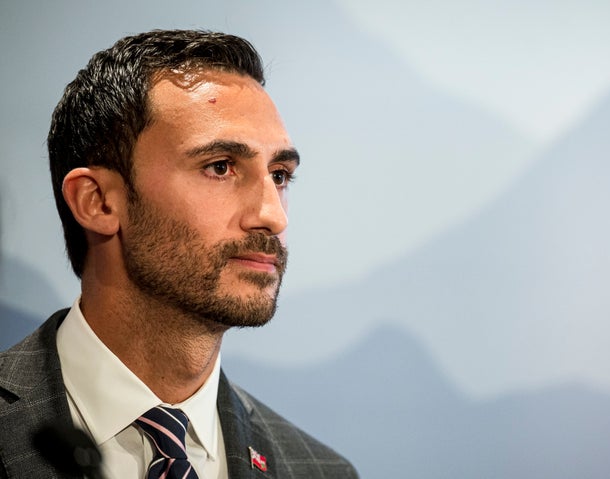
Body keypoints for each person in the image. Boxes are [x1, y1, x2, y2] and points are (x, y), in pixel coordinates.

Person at [0, 30, 358, 479]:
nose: (272, 216)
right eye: (220, 167)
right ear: (98, 201)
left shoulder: (320, 471)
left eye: (280, 175)